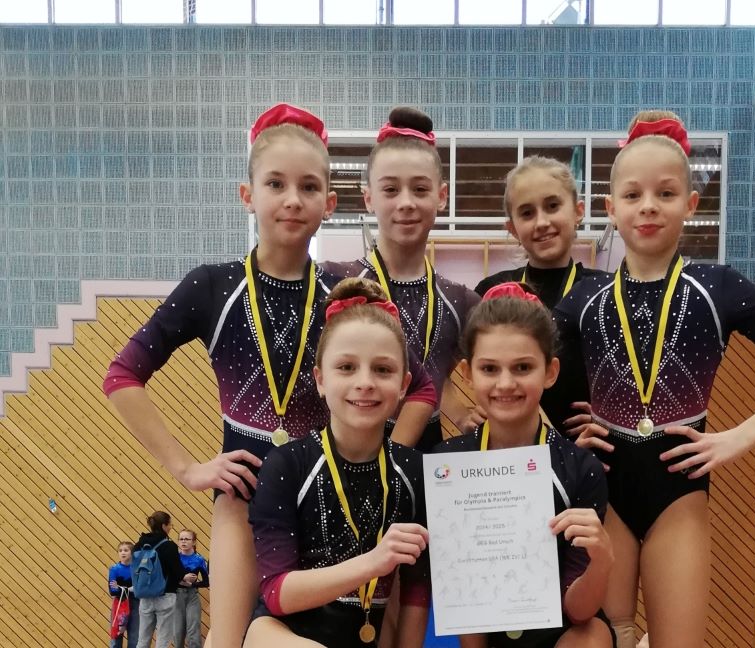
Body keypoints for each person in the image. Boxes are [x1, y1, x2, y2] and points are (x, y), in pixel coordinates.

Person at [103, 104, 434, 648]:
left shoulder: (342, 293)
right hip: (242, 496)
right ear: (247, 195)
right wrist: (187, 468)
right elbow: (122, 375)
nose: (292, 199)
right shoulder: (212, 285)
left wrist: (388, 453)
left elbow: (419, 384)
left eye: (309, 187)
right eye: (276, 184)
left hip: (324, 498)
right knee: (229, 639)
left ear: (330, 203)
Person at [554, 110, 755, 648]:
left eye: (665, 193)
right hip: (604, 491)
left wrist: (739, 438)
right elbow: (522, 368)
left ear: (691, 203)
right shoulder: (585, 297)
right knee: (604, 637)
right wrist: (563, 443)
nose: (649, 206)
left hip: (678, 494)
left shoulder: (719, 286)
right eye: (633, 195)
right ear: (611, 209)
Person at [245, 278, 430, 647]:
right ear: (320, 379)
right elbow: (277, 593)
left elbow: (416, 590)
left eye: (383, 370)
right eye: (346, 367)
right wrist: (374, 562)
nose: (365, 382)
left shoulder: (413, 472)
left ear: (404, 384)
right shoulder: (287, 465)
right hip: (280, 635)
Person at [434, 282, 615, 648]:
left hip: (561, 632)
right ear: (467, 373)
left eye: (522, 367)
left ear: (550, 372)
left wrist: (602, 559)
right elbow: (463, 597)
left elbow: (580, 612)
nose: (506, 383)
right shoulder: (446, 467)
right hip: (485, 636)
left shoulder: (580, 468)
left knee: (592, 637)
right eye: (489, 368)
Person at [323, 106, 480, 453]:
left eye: (420, 189)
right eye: (391, 190)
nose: (406, 202)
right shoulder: (334, 281)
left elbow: (435, 370)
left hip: (428, 461)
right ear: (369, 198)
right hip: (347, 454)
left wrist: (461, 412)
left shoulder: (460, 301)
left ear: (441, 196)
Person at [472, 156, 608, 437]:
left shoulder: (605, 290)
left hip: (586, 450)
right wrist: (465, 413)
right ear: (512, 228)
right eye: (527, 213)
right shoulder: (491, 292)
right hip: (512, 451)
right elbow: (461, 369)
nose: (542, 222)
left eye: (553, 206)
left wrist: (614, 421)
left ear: (578, 211)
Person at [134, 511, 189, 648]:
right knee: (163, 640)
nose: (171, 527)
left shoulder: (139, 545)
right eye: (170, 524)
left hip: (145, 595)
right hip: (165, 595)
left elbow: (134, 568)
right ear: (164, 526)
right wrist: (185, 578)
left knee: (143, 639)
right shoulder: (169, 546)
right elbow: (178, 572)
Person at [174, 529, 209, 648]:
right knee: (178, 632)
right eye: (181, 539)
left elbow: (206, 582)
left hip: (192, 597)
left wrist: (192, 585)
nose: (183, 541)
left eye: (187, 539)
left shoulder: (199, 560)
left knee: (193, 631)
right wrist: (180, 580)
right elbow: (167, 578)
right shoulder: (175, 558)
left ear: (193, 542)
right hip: (177, 597)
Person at [108, 541, 139, 648]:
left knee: (134, 638)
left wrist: (120, 588)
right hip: (119, 603)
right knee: (116, 636)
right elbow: (113, 591)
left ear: (132, 553)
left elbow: (139, 589)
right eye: (120, 551)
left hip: (135, 604)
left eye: (126, 550)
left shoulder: (137, 569)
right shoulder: (114, 569)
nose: (123, 553)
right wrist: (130, 589)